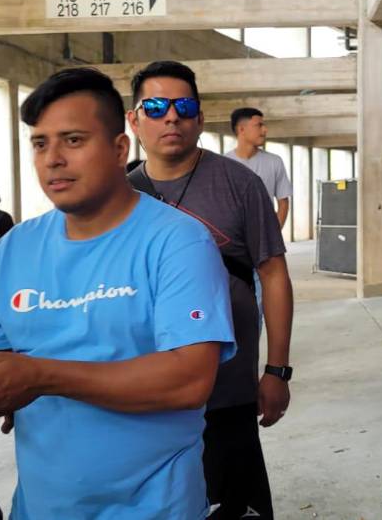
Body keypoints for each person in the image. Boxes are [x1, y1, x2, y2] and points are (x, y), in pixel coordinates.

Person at [0, 67, 236, 518]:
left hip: (154, 507)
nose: (53, 158)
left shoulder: (176, 241)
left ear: (117, 149)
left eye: (73, 140)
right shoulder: (15, 248)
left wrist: (41, 376)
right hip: (41, 507)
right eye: (40, 143)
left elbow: (189, 379)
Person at [126, 61, 294, 519]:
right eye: (156, 106)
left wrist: (277, 370)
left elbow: (273, 274)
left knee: (235, 506)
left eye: (184, 106)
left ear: (200, 118)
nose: (171, 117)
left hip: (229, 395)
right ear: (134, 119)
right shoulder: (119, 194)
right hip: (145, 398)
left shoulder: (240, 184)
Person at [224, 108, 291, 229]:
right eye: (259, 125)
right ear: (241, 129)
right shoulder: (224, 164)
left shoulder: (274, 161)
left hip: (264, 236)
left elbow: (283, 202)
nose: (265, 130)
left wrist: (274, 234)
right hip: (233, 237)